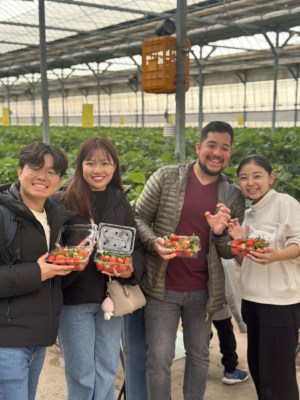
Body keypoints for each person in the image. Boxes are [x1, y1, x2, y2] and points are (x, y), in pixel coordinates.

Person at [134, 121, 245, 400]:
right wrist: (154, 242)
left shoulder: (231, 194)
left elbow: (229, 251)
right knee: (159, 359)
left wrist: (220, 233)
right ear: (199, 147)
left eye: (225, 148)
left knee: (199, 356)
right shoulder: (166, 177)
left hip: (203, 292)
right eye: (211, 145)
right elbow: (138, 218)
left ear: (230, 154)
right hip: (162, 288)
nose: (217, 152)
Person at [54, 137, 145, 400]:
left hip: (111, 298)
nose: (98, 169)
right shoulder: (63, 200)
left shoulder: (119, 200)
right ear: (80, 166)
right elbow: (48, 246)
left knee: (106, 370)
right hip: (75, 299)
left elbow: (136, 247)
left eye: (105, 163)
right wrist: (66, 260)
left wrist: (130, 270)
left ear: (114, 167)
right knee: (81, 374)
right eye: (90, 162)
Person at [0, 142, 73, 400]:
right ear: (20, 170)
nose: (43, 177)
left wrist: (69, 262)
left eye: (52, 172)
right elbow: (38, 270)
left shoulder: (52, 216)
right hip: (7, 341)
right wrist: (37, 272)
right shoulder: (2, 214)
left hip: (37, 339)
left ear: (60, 180)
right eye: (35, 168)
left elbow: (45, 269)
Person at [228, 155, 300, 400]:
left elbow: (298, 242)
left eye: (257, 176)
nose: (250, 182)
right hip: (252, 301)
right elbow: (242, 260)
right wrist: (238, 245)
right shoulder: (248, 215)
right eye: (244, 178)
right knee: (260, 370)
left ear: (271, 177)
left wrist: (277, 255)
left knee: (278, 375)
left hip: (279, 304)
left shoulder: (284, 203)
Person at [212, 258, 248, 385]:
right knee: (225, 333)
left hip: (195, 304)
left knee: (198, 336)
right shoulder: (223, 260)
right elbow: (231, 292)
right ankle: (230, 370)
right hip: (218, 304)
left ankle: (196, 365)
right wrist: (241, 322)